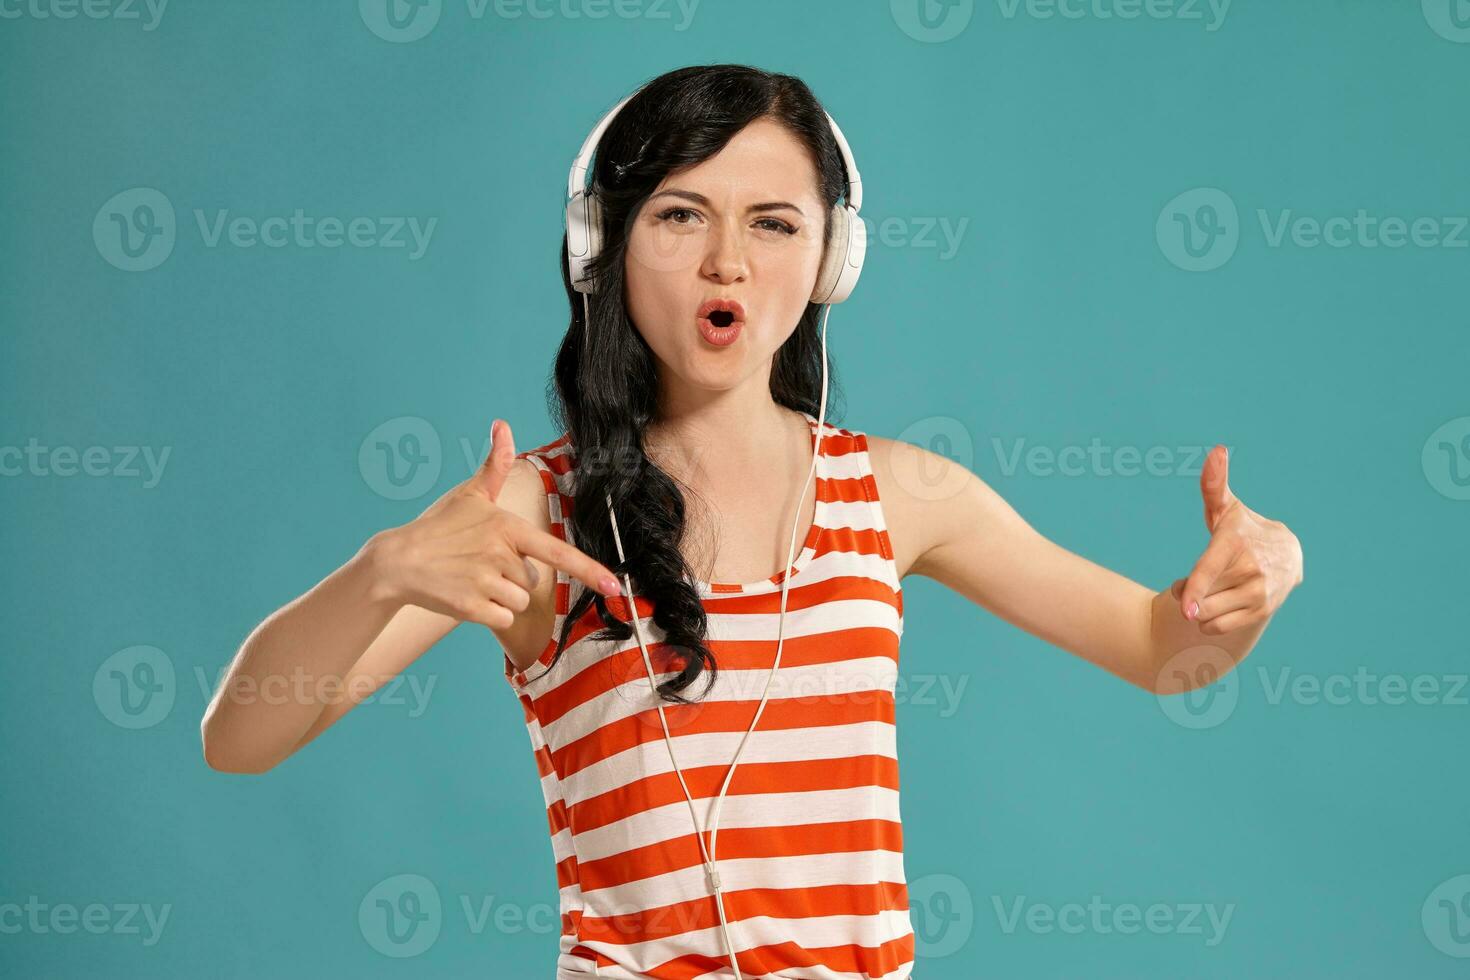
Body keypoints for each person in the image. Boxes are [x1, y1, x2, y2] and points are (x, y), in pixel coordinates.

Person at [201, 63, 1304, 980]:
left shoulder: (899, 493)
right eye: (681, 214)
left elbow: (1167, 651)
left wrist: (1248, 585)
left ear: (830, 258)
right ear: (608, 246)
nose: (728, 259)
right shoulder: (539, 510)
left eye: (772, 223)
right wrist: (382, 569)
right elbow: (239, 738)